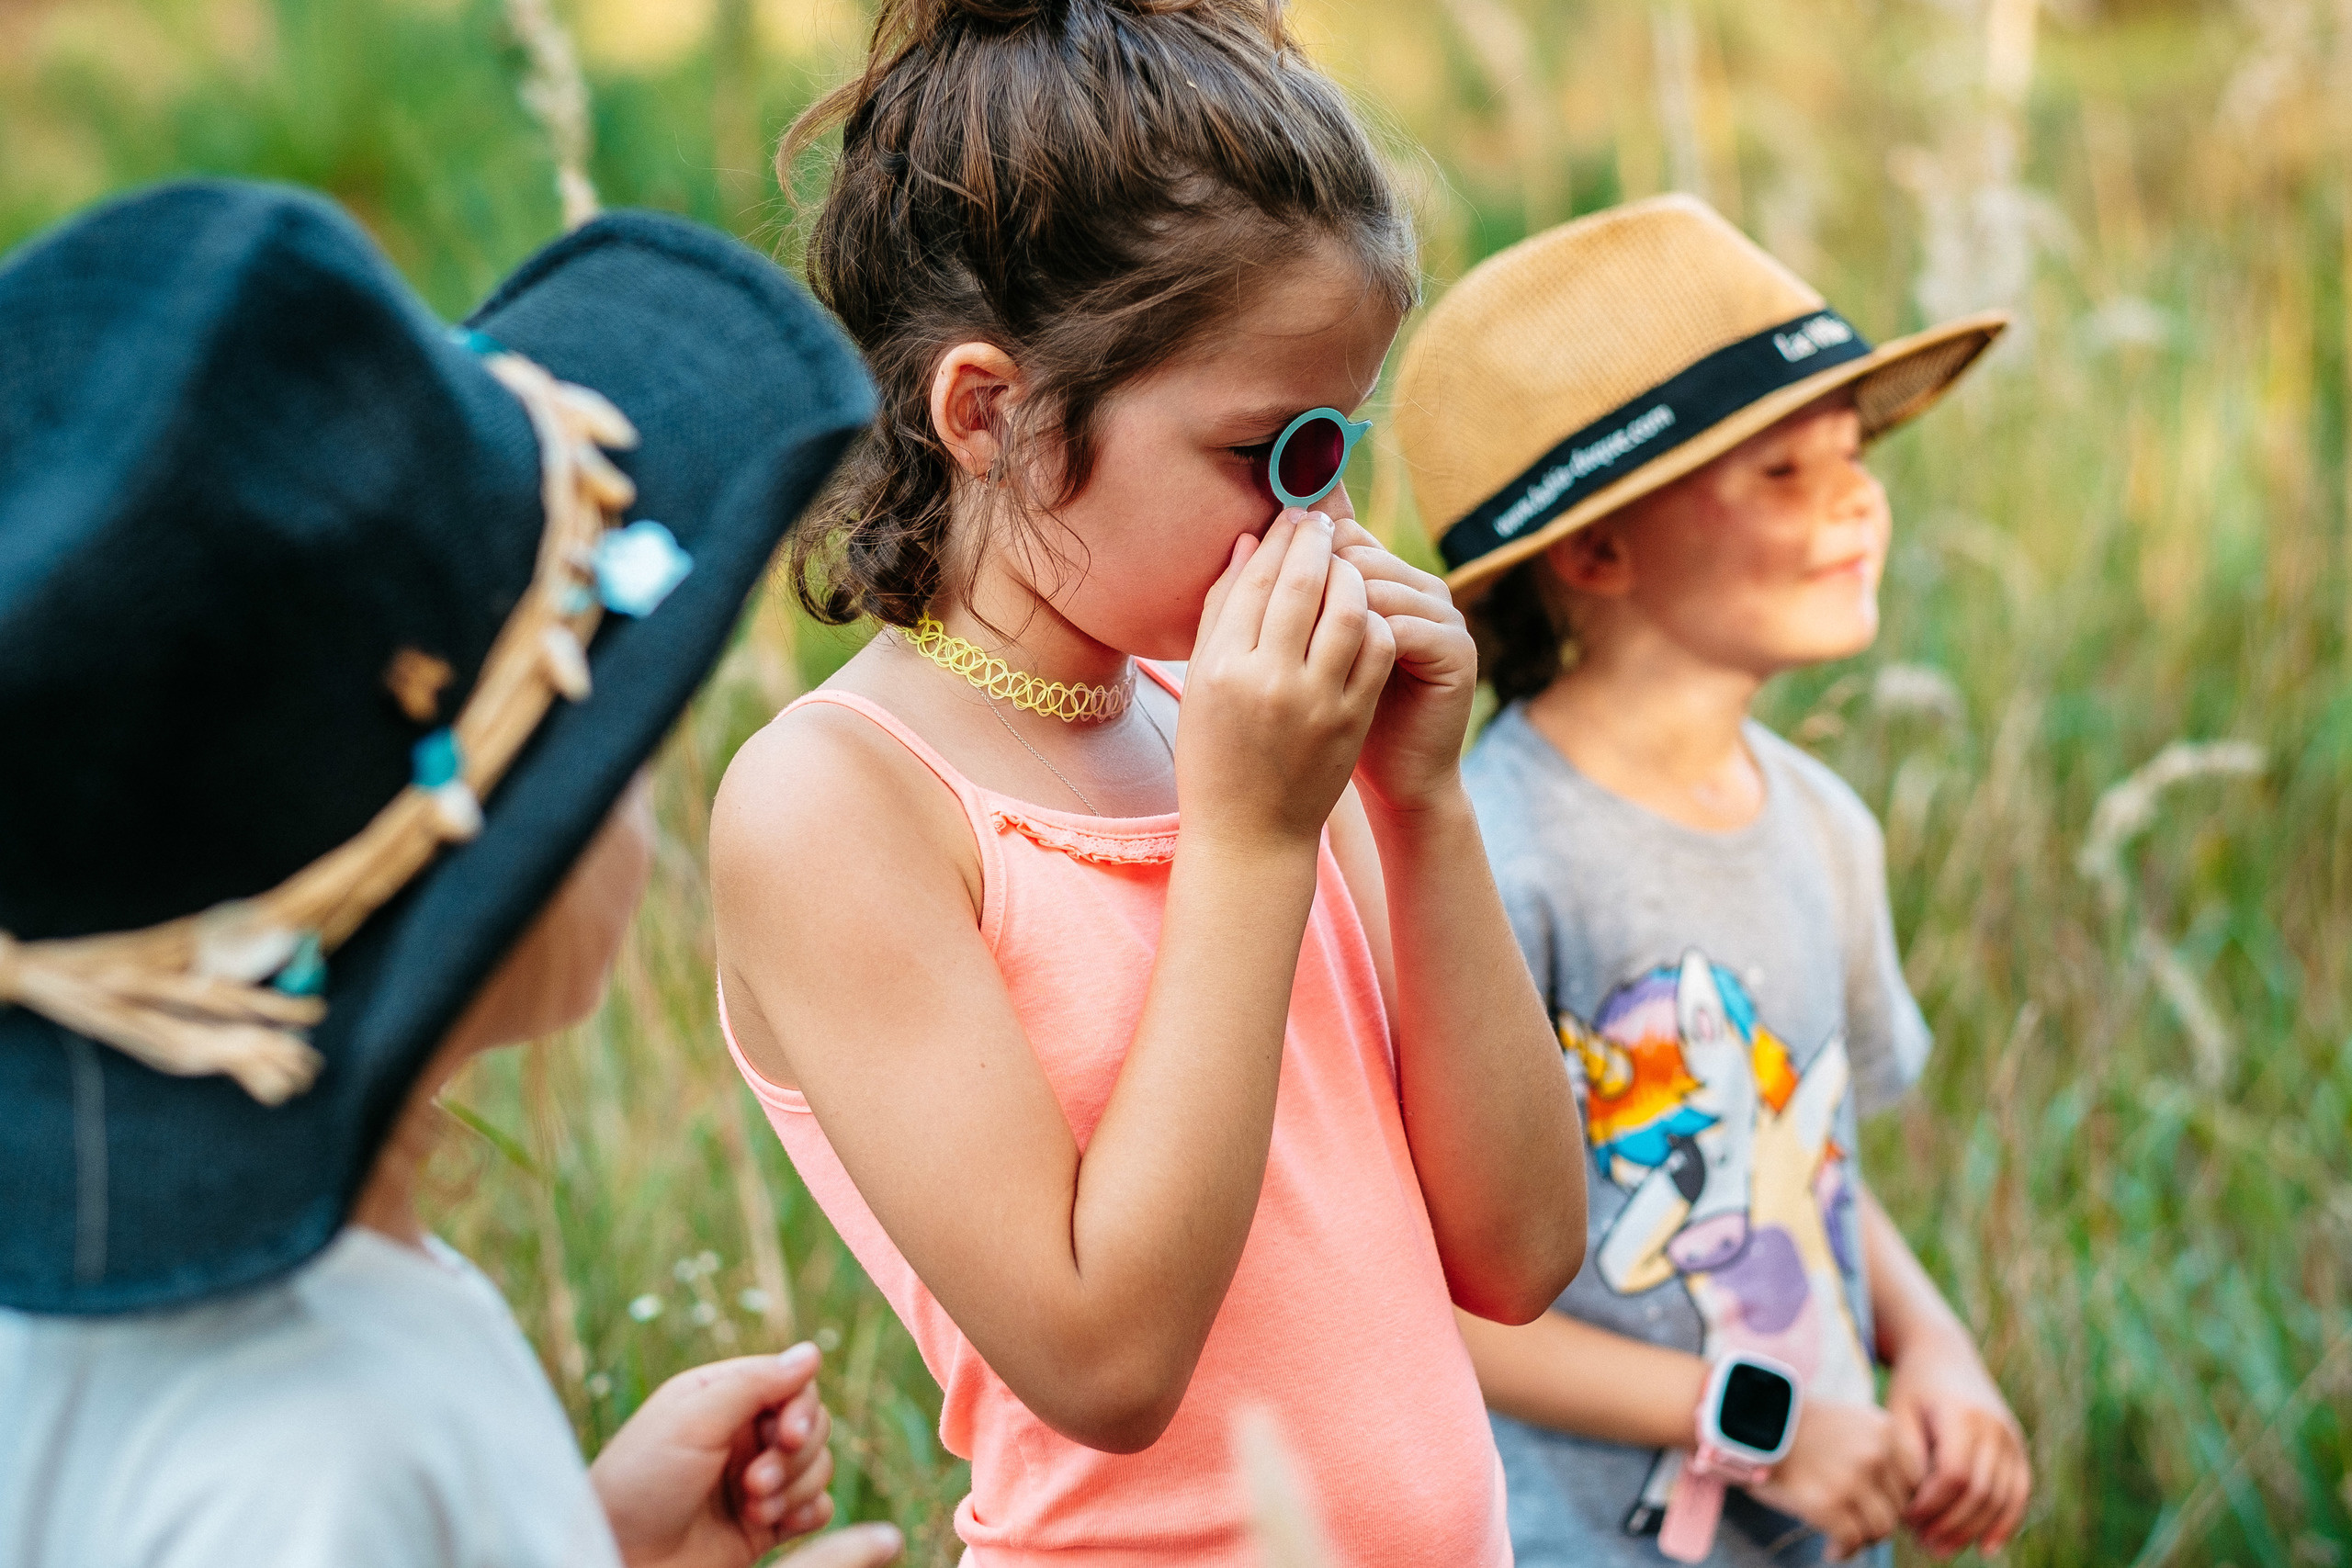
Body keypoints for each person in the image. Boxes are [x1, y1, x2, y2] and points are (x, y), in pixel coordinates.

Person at [707, 0, 1589, 1561]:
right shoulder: (841, 806)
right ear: (990, 414)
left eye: (1339, 445)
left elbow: (1521, 1254)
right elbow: (1103, 1362)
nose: (1310, 518)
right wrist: (1249, 846)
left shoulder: (1234, 721)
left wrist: (1420, 805)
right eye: (1268, 450)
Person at [0, 179, 899, 1568]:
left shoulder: (131, 1342)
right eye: (607, 734)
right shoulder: (327, 1453)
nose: (645, 781)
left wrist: (580, 1542)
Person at [1393, 194, 2034, 1566]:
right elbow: (1417, 1292)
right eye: (1781, 474)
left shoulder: (1825, 827)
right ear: (1597, 549)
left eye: (1853, 455)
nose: (1858, 496)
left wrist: (1935, 1350)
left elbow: (1815, 1175)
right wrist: (1754, 1422)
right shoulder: (1493, 856)